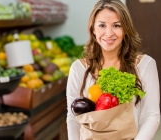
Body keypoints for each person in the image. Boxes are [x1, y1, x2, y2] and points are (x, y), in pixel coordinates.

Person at [66, 0, 160, 140]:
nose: (109, 33)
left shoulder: (145, 65)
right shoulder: (78, 69)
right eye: (102, 25)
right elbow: (73, 118)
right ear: (93, 29)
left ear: (125, 29)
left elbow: (151, 116)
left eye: (116, 25)